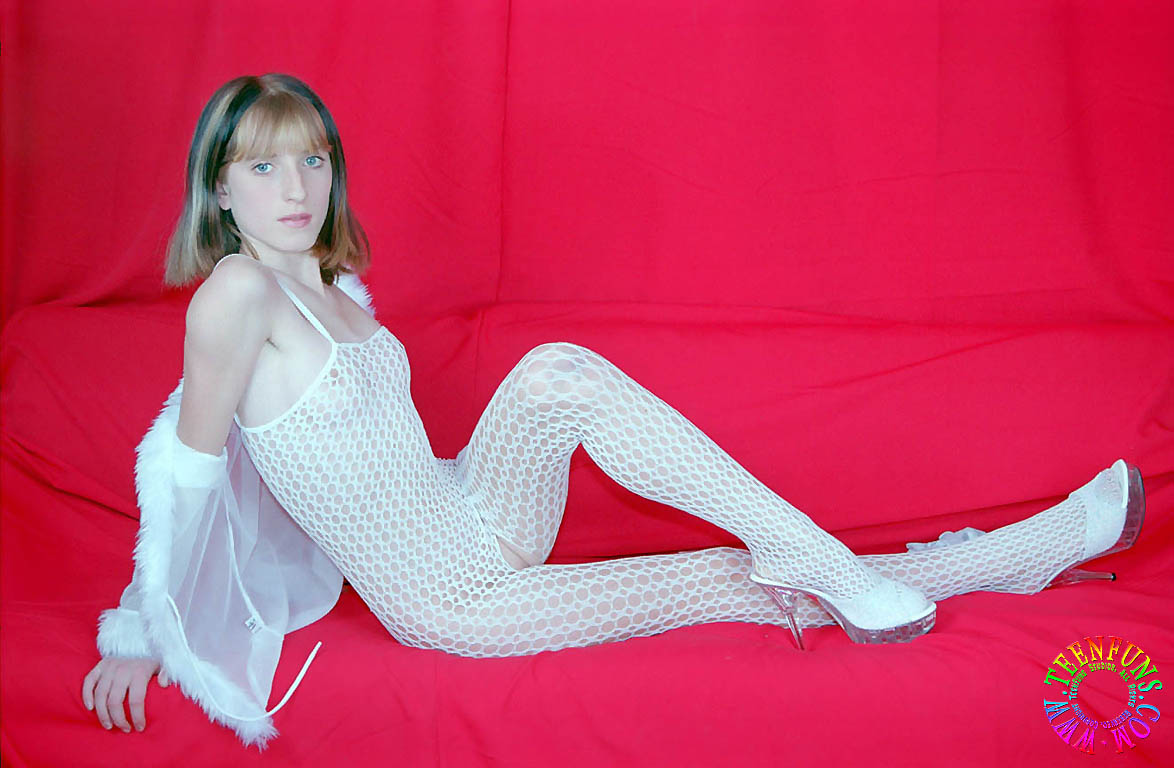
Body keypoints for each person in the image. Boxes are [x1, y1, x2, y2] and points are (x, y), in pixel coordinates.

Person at [80, 73, 1147, 749]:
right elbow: (188, 468)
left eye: (312, 158)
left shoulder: (328, 286)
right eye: (264, 165)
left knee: (557, 369)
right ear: (219, 188)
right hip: (453, 599)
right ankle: (1022, 552)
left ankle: (821, 553)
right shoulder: (237, 294)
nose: (295, 186)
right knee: (728, 580)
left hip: (474, 509)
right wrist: (140, 628)